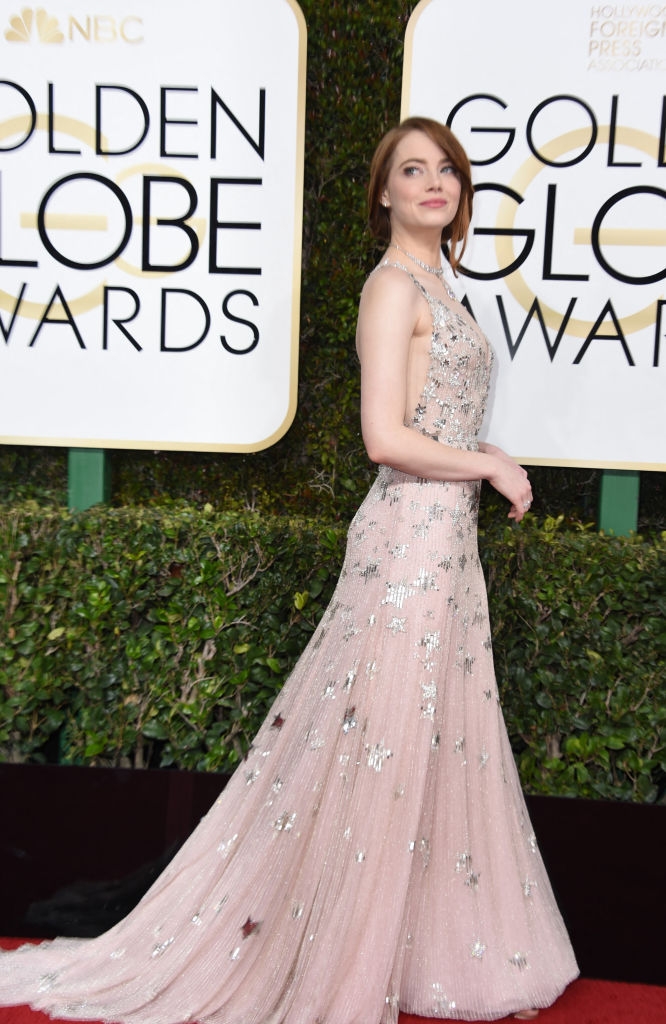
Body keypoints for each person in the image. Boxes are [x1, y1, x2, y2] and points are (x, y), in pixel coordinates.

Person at [0, 117, 578, 1023]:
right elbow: (384, 438)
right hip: (408, 545)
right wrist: (490, 466)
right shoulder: (391, 288)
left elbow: (437, 420)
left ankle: (419, 951)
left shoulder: (443, 285)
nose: (434, 182)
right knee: (382, 744)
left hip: (443, 543)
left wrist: (485, 451)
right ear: (383, 193)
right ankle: (340, 957)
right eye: (412, 170)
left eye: (447, 169)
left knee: (428, 743)